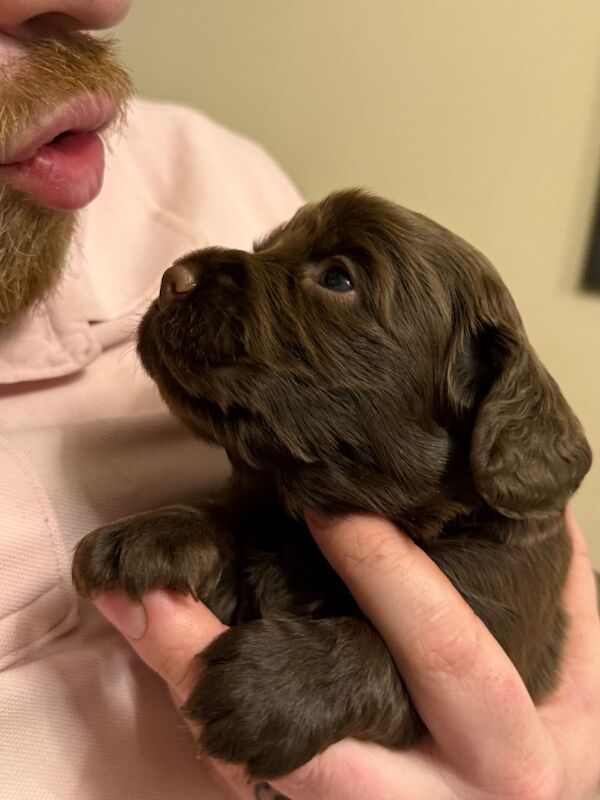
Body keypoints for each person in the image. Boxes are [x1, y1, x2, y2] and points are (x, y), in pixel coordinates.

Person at [0, 3, 598, 799]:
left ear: (478, 392)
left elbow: (479, 672)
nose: (180, 276)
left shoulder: (211, 168)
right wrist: (208, 537)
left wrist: (345, 672)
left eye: (336, 279)